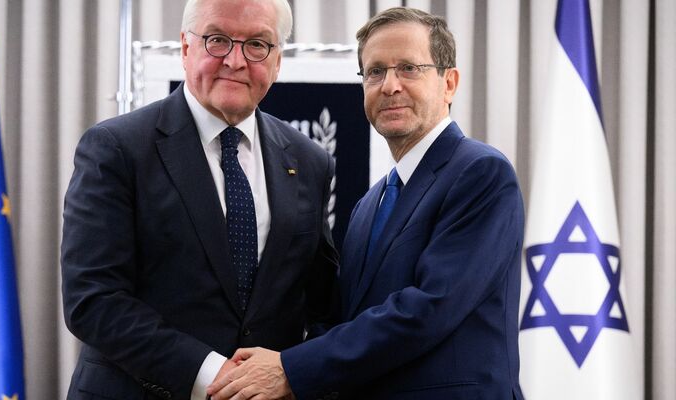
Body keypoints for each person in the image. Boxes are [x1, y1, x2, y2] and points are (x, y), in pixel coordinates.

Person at [207, 7, 525, 400]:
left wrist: (290, 370)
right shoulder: (369, 205)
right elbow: (345, 318)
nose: (390, 85)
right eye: (375, 72)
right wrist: (270, 367)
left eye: (409, 68)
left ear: (450, 83)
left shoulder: (480, 174)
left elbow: (428, 310)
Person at [59, 0, 338, 399]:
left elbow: (322, 301)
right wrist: (216, 375)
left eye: (258, 44)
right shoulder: (117, 148)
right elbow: (94, 300)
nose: (236, 61)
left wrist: (295, 373)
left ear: (278, 61)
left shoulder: (310, 160)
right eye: (218, 40)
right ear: (186, 48)